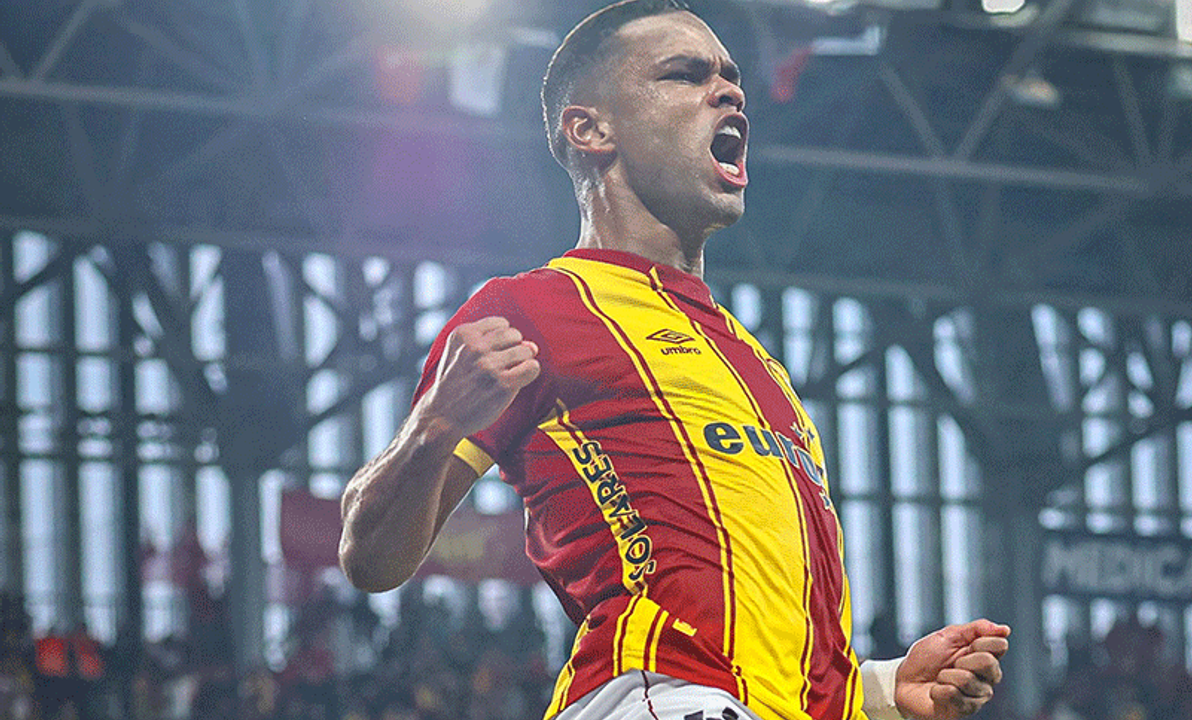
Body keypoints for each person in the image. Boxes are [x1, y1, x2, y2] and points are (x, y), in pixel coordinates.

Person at [338, 2, 1011, 719]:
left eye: (730, 77)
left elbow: (758, 629)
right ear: (590, 130)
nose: (729, 93)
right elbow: (369, 558)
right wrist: (435, 427)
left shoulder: (757, 365)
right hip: (657, 697)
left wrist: (878, 690)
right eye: (685, 75)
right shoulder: (533, 309)